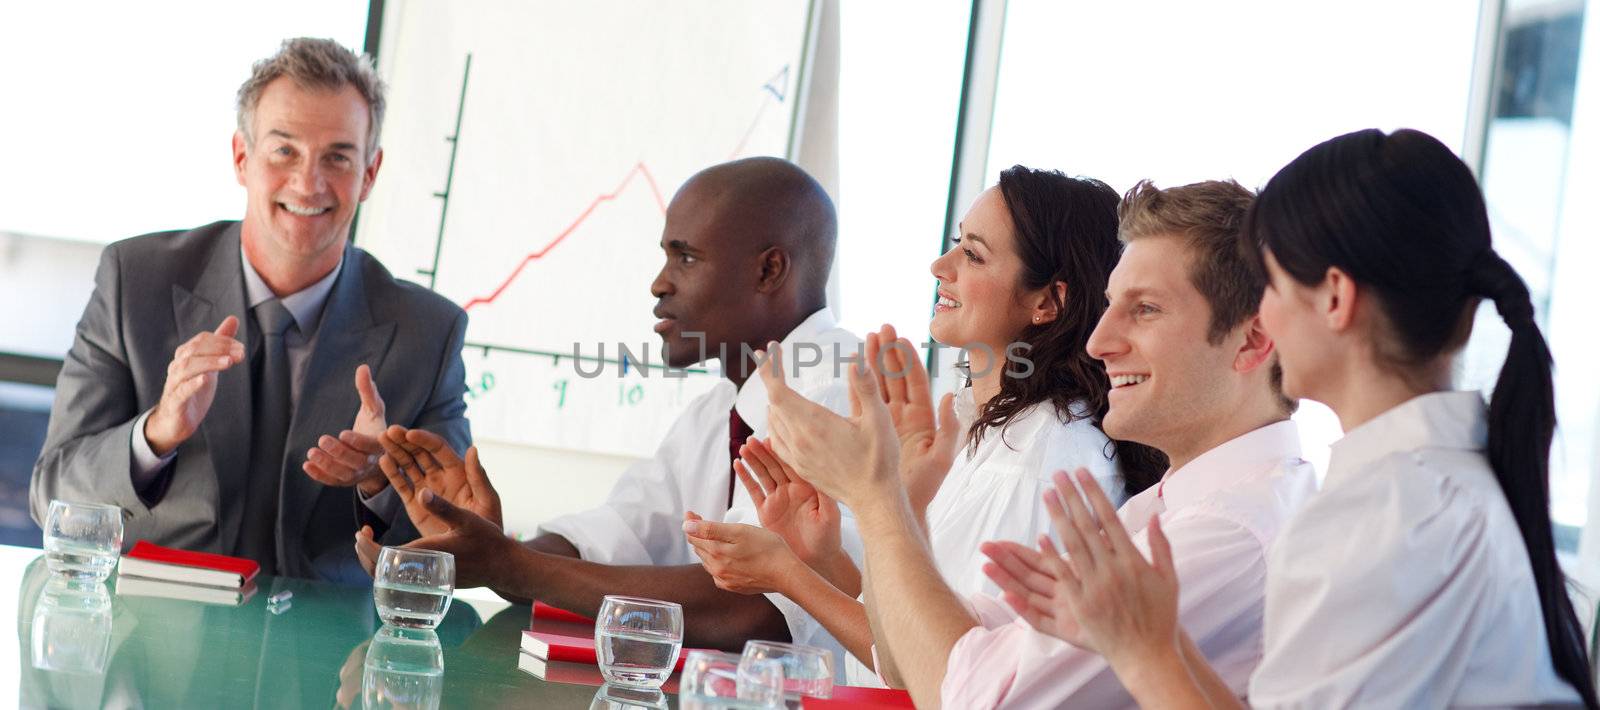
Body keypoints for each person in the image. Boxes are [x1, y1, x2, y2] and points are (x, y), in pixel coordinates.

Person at [1017, 129, 1596, 709]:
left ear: (1335, 299)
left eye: (1272, 282)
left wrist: (1145, 653)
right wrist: (1156, 640)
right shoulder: (1433, 486)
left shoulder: (1385, 514)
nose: (1261, 317)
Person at [755, 179, 1320, 708]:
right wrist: (890, 504)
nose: (1099, 340)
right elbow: (919, 656)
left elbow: (968, 694)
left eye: (1144, 309)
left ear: (1251, 342)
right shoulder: (1171, 509)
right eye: (1112, 304)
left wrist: (876, 499)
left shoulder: (1226, 531)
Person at [678, 167, 1166, 685]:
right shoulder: (993, 431)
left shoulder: (1043, 456)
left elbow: (951, 671)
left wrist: (791, 574)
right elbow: (914, 623)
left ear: (1047, 302)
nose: (940, 265)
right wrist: (821, 556)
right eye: (957, 244)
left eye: (973, 255)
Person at [359, 157, 866, 653]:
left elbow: (754, 607)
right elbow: (615, 538)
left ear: (769, 270)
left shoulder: (837, 393)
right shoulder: (717, 411)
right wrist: (482, 545)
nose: (660, 282)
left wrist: (507, 564)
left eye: (685, 257)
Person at [30, 38, 469, 582]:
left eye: (338, 157)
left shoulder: (430, 333)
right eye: (284, 150)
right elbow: (52, 494)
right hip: (155, 635)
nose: (308, 183)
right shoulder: (134, 280)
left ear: (370, 173)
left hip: (327, 653)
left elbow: (457, 540)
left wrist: (379, 483)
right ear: (242, 157)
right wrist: (156, 434)